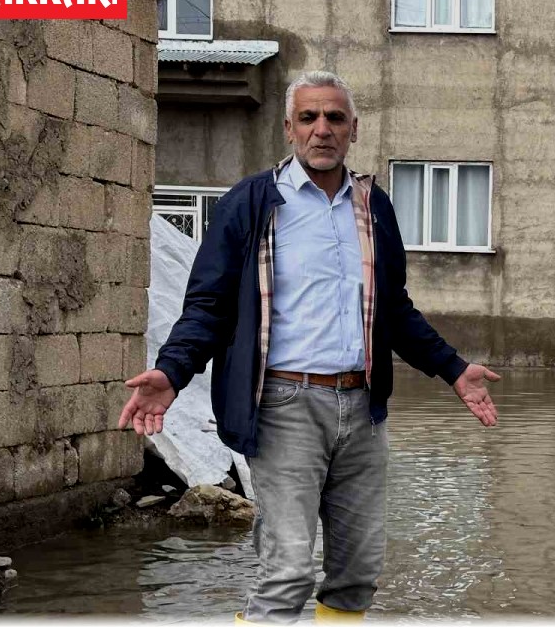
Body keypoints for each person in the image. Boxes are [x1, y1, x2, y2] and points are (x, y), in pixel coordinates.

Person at [117, 70, 501, 624]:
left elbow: (394, 309)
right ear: (289, 129)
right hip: (283, 407)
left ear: (353, 130)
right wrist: (172, 373)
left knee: (357, 572)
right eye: (309, 117)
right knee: (288, 569)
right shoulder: (249, 205)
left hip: (362, 408)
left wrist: (454, 369)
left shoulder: (374, 207)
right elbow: (208, 307)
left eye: (335, 118)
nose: (322, 129)